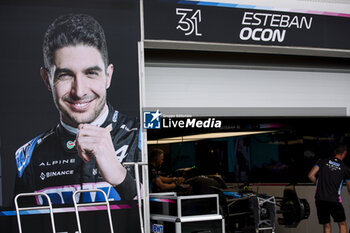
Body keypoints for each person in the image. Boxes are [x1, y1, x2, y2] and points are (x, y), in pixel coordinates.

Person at [14, 14, 141, 205]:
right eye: (65, 75)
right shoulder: (27, 157)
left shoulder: (143, 136)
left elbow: (164, 219)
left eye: (91, 73)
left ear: (108, 76)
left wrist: (122, 179)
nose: (79, 91)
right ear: (46, 79)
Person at [308, 144, 350, 233]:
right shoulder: (345, 169)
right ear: (344, 153)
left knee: (326, 225)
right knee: (342, 224)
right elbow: (349, 187)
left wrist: (318, 184)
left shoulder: (322, 161)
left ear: (335, 151)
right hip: (334, 200)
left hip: (320, 199)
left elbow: (310, 175)